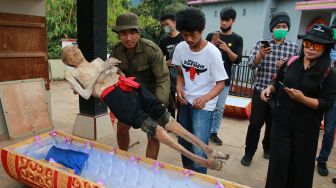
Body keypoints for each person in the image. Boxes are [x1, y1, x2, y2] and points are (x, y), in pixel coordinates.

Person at [61, 46, 229, 171]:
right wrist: (102, 71)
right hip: (115, 97)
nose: (75, 54)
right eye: (70, 54)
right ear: (67, 61)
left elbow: (117, 74)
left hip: (130, 86)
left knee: (167, 119)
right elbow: (85, 94)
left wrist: (115, 70)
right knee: (156, 130)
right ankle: (202, 161)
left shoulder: (98, 61)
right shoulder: (72, 74)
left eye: (75, 50)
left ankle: (209, 150)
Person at [261, 24, 336, 188]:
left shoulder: (329, 73)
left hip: (306, 130)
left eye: (317, 45)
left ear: (326, 48)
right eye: (308, 43)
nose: (310, 48)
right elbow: (277, 82)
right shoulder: (292, 62)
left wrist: (303, 99)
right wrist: (270, 88)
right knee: (277, 166)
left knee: (300, 170)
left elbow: (327, 103)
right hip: (282, 124)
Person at [172, 8, 228, 174]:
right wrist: (179, 87)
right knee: (183, 142)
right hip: (185, 102)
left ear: (202, 30)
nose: (188, 39)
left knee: (199, 147)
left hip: (203, 107)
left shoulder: (212, 53)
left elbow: (221, 83)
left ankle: (200, 180)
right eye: (185, 35)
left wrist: (205, 98)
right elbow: (180, 71)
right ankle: (188, 174)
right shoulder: (180, 48)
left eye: (193, 35)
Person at [109, 12, 170, 160]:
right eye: (123, 34)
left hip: (151, 98)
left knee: (153, 135)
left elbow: (162, 78)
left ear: (138, 32)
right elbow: (111, 73)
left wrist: (159, 104)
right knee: (122, 128)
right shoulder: (117, 50)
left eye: (132, 33)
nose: (128, 38)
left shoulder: (151, 50)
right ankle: (123, 158)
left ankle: (148, 169)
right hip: (130, 98)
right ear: (118, 35)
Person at [241, 12, 298, 166]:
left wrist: (285, 67)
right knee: (254, 124)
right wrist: (260, 55)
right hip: (260, 91)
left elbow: (297, 71)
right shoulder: (261, 44)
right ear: (272, 29)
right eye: (278, 26)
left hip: (280, 94)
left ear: (288, 29)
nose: (281, 29)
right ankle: (248, 153)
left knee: (273, 125)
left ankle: (267, 148)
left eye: (284, 27)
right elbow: (251, 65)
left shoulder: (293, 47)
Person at [205, 7, 243, 145]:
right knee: (207, 105)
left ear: (233, 21)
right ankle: (204, 130)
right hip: (208, 78)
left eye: (227, 20)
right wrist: (210, 46)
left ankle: (213, 132)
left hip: (224, 79)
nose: (224, 23)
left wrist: (227, 49)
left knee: (219, 108)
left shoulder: (237, 39)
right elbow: (202, 55)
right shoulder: (211, 36)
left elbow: (237, 60)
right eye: (222, 19)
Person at [315, 17, 336, 177]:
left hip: (333, 98)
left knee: (329, 131)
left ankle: (322, 160)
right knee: (312, 126)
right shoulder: (323, 47)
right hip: (316, 94)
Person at [159, 13, 184, 119]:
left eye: (167, 24)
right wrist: (166, 63)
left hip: (183, 75)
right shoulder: (163, 41)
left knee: (182, 100)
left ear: (174, 23)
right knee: (170, 102)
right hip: (169, 76)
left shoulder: (184, 37)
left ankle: (181, 123)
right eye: (163, 25)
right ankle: (171, 122)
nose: (165, 27)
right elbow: (158, 60)